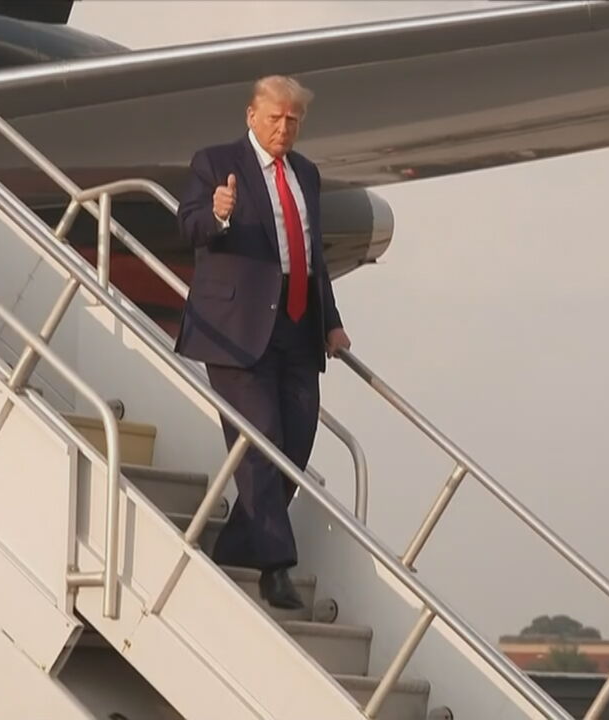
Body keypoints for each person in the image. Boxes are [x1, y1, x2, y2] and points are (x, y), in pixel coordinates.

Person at [175, 76, 351, 610]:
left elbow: (311, 256)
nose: (284, 128)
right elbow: (189, 228)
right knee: (261, 442)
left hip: (298, 327)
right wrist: (220, 212)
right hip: (235, 330)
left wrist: (332, 322)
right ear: (252, 115)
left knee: (294, 447)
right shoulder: (214, 162)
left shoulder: (306, 175)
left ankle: (234, 546)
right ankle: (276, 567)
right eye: (275, 117)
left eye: (293, 120)